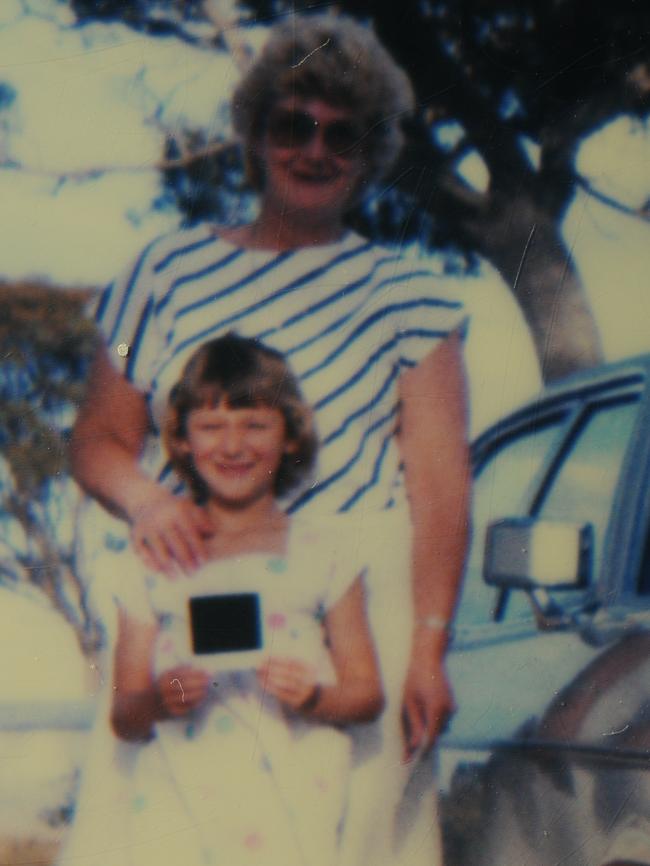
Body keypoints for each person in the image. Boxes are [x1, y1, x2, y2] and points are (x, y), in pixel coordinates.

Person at [71, 14, 471, 866]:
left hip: (355, 608)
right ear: (254, 136)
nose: (316, 150)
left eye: (343, 134)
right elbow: (100, 440)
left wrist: (428, 649)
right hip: (188, 584)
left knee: (353, 844)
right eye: (293, 126)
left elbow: (441, 487)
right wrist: (149, 501)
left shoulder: (413, 296)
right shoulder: (161, 275)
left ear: (372, 153)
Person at [61, 333, 383, 866]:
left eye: (255, 424)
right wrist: (160, 700)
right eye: (211, 427)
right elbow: (125, 713)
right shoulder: (152, 559)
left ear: (291, 437)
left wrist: (314, 696)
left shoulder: (327, 553)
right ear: (183, 440)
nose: (233, 446)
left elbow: (366, 694)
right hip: (179, 798)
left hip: (296, 798)